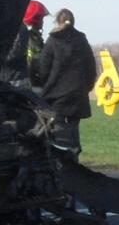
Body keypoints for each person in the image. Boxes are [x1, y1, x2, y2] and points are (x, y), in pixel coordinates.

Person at [32, 9, 97, 161]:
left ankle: (62, 162)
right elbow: (90, 67)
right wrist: (86, 87)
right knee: (74, 128)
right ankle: (74, 158)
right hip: (78, 93)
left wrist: (45, 85)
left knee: (58, 131)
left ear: (57, 21)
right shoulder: (81, 40)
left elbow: (43, 66)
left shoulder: (53, 40)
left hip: (56, 94)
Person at [0, 0, 48, 88]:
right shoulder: (28, 36)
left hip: (20, 78)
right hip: (20, 80)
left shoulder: (32, 36)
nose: (43, 22)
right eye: (41, 18)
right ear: (36, 18)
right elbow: (33, 61)